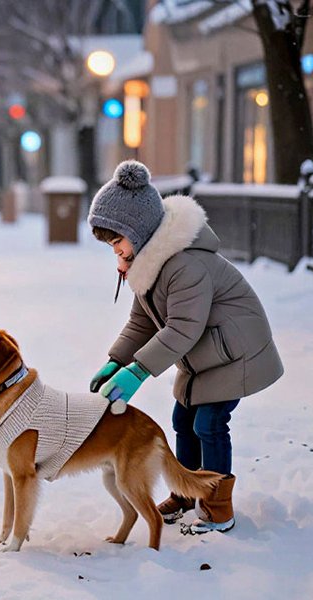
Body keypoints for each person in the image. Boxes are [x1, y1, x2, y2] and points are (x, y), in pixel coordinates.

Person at [87, 160, 283, 535]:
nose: (116, 253)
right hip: (205, 357)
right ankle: (186, 492)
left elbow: (182, 329)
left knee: (210, 422)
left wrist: (138, 371)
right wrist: (116, 361)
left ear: (138, 230)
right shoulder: (147, 265)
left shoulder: (185, 266)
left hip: (235, 352)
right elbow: (142, 323)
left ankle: (217, 506)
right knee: (182, 420)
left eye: (117, 242)